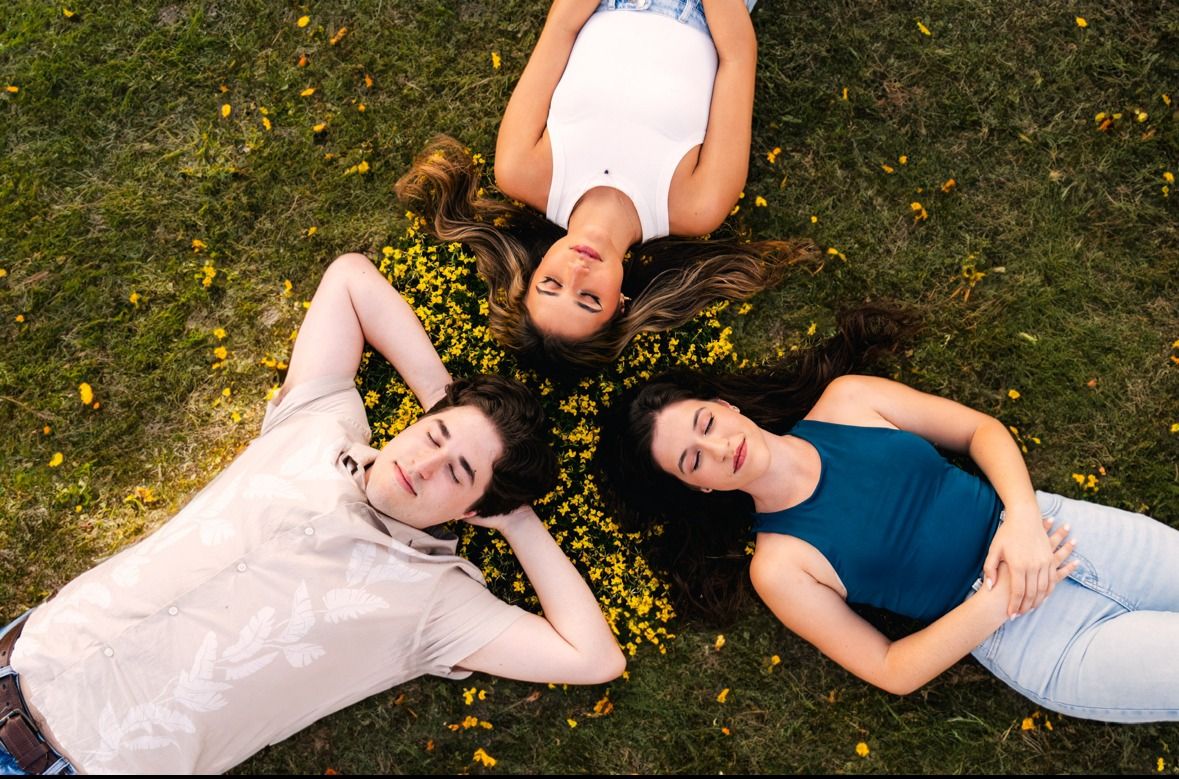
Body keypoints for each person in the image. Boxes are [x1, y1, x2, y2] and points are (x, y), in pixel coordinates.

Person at [0, 253, 625, 774]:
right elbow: (351, 279)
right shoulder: (320, 429)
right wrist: (445, 397)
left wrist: (516, 519)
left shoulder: (437, 603)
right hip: (22, 652)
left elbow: (593, 659)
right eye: (435, 439)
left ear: (472, 510)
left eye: (458, 474)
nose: (426, 466)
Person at [597, 310, 1179, 723]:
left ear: (725, 407)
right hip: (1028, 635)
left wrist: (1023, 521)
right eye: (694, 460)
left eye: (706, 424)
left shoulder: (849, 400)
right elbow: (891, 668)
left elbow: (980, 430)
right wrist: (1000, 598)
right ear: (695, 486)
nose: (721, 449)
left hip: (1057, 531)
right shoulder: (779, 566)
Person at [396, 0, 816, 370]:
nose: (577, 273)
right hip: (706, 14)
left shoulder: (522, 170)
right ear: (621, 304)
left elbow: (561, 28)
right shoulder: (694, 207)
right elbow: (737, 58)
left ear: (532, 272)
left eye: (552, 285)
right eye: (588, 299)